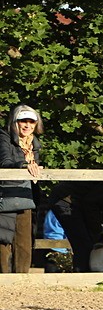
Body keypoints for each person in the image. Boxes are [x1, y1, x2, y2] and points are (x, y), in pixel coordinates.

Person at [0, 105, 44, 273]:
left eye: (31, 122)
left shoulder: (35, 144)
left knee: (24, 241)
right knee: (3, 240)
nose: (27, 125)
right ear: (15, 122)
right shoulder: (4, 136)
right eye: (23, 121)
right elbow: (4, 161)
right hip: (5, 194)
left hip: (26, 195)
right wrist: (25, 165)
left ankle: (22, 279)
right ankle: (4, 279)